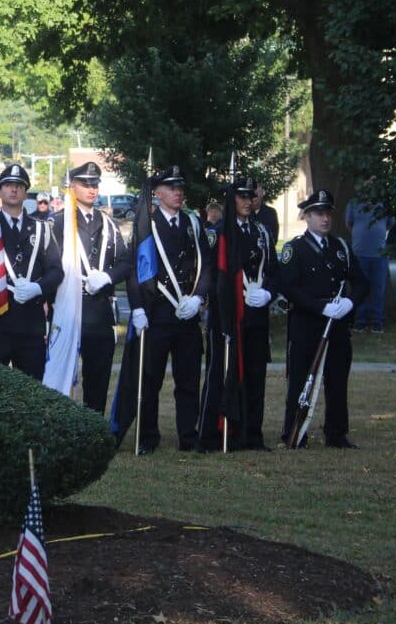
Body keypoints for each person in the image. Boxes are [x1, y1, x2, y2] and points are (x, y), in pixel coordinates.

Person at [126, 165, 210, 454]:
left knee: (188, 379)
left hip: (186, 312)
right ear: (157, 193)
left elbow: (206, 266)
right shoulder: (146, 225)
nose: (178, 193)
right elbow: (135, 271)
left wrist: (199, 297)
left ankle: (188, 436)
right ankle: (149, 437)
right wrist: (137, 308)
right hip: (158, 312)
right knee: (151, 380)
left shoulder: (193, 223)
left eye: (180, 188)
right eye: (172, 188)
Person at [280, 189, 368, 449]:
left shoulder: (340, 247)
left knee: (337, 381)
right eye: (319, 213)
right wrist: (321, 308)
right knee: (299, 381)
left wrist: (350, 302)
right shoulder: (294, 249)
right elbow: (289, 288)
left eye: (328, 213)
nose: (325, 218)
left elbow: (362, 282)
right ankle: (295, 431)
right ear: (306, 217)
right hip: (307, 326)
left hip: (338, 326)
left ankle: (336, 432)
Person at [197, 179, 279, 452]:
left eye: (250, 196)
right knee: (221, 373)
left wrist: (268, 292)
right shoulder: (220, 232)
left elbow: (274, 271)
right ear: (232, 200)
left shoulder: (262, 232)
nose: (247, 201)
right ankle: (214, 433)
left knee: (256, 375)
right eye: (242, 197)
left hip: (256, 313)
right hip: (228, 315)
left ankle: (252, 434)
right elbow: (212, 272)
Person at [50, 162, 131, 413]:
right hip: (68, 308)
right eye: (85, 184)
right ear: (72, 187)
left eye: (95, 184)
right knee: (62, 375)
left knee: (98, 376)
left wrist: (108, 277)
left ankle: (94, 426)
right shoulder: (57, 223)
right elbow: (49, 264)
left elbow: (125, 261)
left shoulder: (107, 223)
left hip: (99, 310)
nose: (91, 189)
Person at [0, 163, 63, 379]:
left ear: (26, 192)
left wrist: (38, 288)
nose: (13, 189)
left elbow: (56, 271)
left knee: (31, 391)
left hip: (30, 324)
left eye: (19, 185)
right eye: (8, 185)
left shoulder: (42, 228)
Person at [345, 199, 394, 333]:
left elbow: (390, 224)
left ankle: (377, 322)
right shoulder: (353, 204)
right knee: (360, 288)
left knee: (378, 290)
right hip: (359, 254)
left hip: (380, 255)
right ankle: (360, 322)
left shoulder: (385, 204)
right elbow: (349, 224)